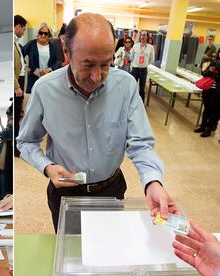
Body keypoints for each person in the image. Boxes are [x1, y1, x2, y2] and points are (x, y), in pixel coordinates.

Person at [16, 13, 179, 232]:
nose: (96, 76)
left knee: (109, 254)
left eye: (105, 64)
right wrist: (47, 167)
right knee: (71, 257)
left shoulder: (126, 86)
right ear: (66, 51)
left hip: (110, 190)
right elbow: (25, 141)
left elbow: (141, 144)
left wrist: (153, 183)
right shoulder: (45, 90)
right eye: (88, 65)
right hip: (66, 194)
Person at [22, 22, 57, 94]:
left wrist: (49, 69)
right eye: (41, 33)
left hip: (47, 78)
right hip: (34, 77)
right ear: (38, 34)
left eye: (46, 33)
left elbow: (55, 61)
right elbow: (20, 54)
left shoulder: (52, 46)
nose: (43, 35)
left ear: (49, 35)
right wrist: (25, 66)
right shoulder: (31, 44)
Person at [194, 51, 220, 137]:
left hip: (216, 92)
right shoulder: (214, 62)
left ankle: (209, 130)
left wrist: (213, 73)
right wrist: (210, 70)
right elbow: (204, 74)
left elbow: (217, 77)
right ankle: (203, 126)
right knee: (206, 109)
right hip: (207, 90)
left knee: (213, 111)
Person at [14, 15, 27, 157]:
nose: (23, 32)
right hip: (17, 83)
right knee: (17, 116)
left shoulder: (17, 42)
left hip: (20, 80)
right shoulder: (11, 42)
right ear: (17, 26)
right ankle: (16, 149)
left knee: (18, 115)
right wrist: (16, 86)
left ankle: (17, 147)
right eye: (23, 29)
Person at [131, 30, 155, 102]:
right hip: (135, 69)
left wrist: (144, 64)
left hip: (144, 70)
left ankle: (141, 104)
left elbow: (152, 59)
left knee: (142, 89)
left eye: (144, 35)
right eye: (141, 35)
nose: (142, 36)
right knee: (133, 87)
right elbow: (131, 56)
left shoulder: (150, 47)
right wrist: (137, 63)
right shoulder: (135, 45)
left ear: (147, 37)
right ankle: (131, 102)